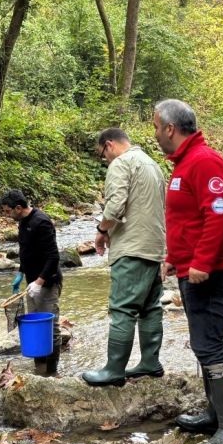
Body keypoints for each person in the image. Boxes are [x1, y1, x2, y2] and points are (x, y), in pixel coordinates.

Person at [153, 99, 223, 444]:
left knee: (209, 347)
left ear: (170, 129)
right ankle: (215, 416)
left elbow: (219, 216)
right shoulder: (183, 164)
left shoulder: (205, 161)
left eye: (156, 127)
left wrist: (202, 263)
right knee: (202, 345)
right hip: (191, 269)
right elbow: (186, 222)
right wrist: (173, 258)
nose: (155, 134)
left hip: (215, 272)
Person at [81, 128, 167, 387]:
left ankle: (114, 370)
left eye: (102, 154)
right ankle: (150, 363)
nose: (104, 160)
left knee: (123, 309)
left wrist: (101, 230)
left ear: (109, 145)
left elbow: (116, 205)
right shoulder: (153, 165)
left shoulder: (121, 163)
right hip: (155, 247)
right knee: (151, 307)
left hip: (131, 248)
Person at [2, 190, 63, 376]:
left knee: (51, 327)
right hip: (32, 282)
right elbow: (26, 251)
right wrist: (21, 273)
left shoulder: (41, 222)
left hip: (47, 282)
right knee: (36, 326)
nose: (6, 215)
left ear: (18, 208)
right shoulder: (23, 222)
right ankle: (39, 367)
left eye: (7, 211)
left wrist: (39, 282)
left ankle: (52, 371)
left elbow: (53, 257)